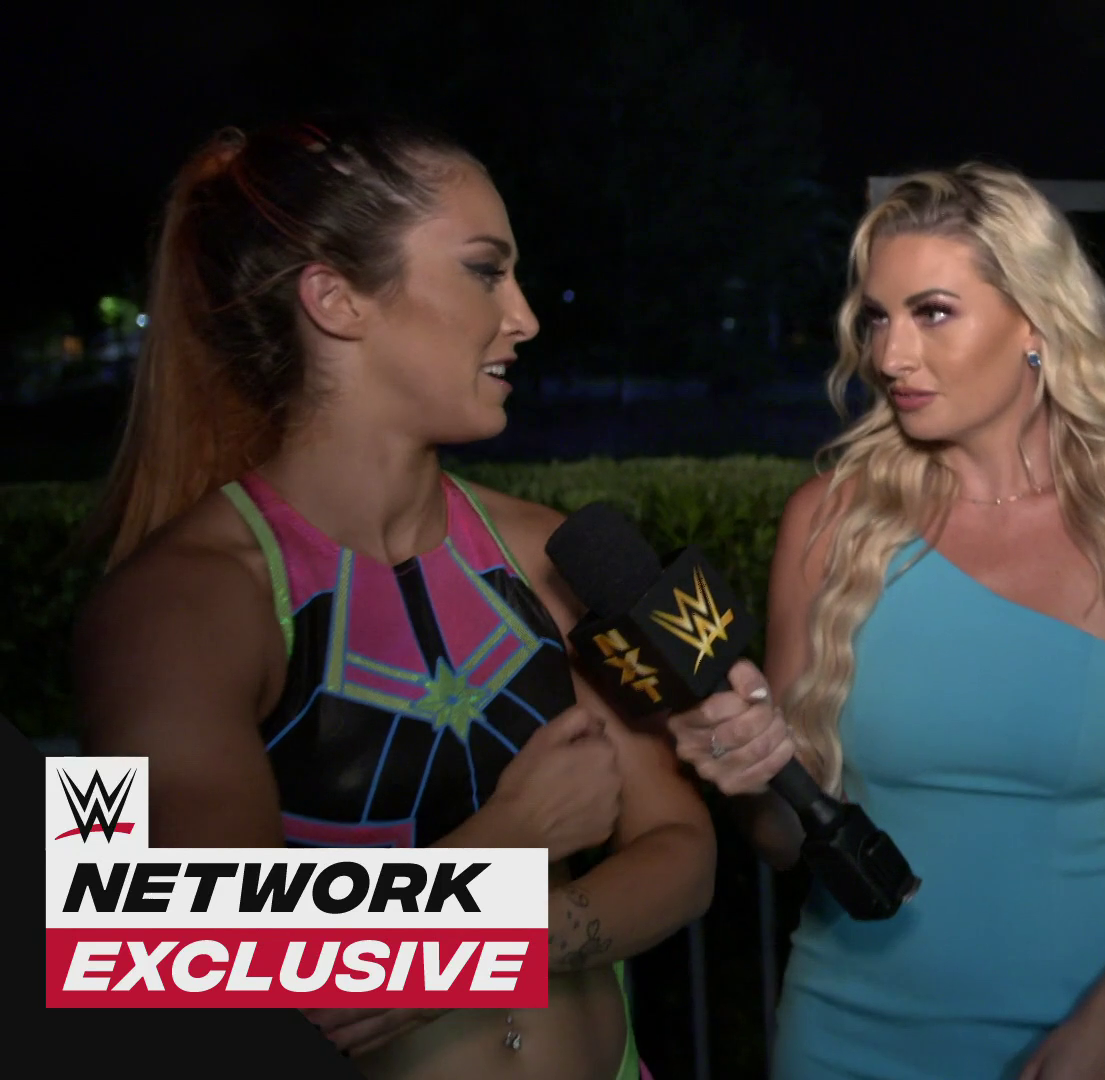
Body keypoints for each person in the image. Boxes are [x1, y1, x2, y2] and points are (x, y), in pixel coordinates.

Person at [74, 116, 716, 1080]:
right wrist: (508, 842)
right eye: (484, 271)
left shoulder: (550, 553)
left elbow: (683, 851)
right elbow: (174, 962)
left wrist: (487, 942)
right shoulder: (164, 611)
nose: (525, 317)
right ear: (336, 299)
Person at [662, 162, 1105, 1078]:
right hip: (849, 1040)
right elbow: (780, 843)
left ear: (1037, 322)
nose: (890, 356)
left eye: (932, 312)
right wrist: (745, 775)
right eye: (876, 318)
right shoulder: (830, 523)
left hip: (1091, 1042)